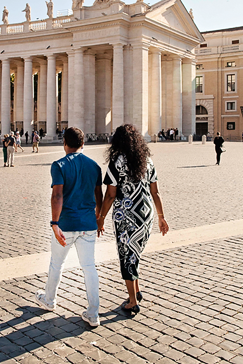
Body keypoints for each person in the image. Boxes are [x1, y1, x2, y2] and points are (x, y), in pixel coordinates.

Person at [97, 124, 169, 317]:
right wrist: (161, 217)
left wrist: (101, 217)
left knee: (126, 255)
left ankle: (133, 301)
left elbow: (110, 195)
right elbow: (156, 191)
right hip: (146, 214)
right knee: (133, 254)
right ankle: (136, 290)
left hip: (126, 216)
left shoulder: (117, 161)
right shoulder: (147, 160)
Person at [35, 127, 104, 327]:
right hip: (88, 224)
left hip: (65, 224)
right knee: (89, 267)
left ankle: (49, 300)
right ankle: (93, 313)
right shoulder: (94, 166)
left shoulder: (59, 165)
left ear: (64, 143)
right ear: (83, 144)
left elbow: (57, 195)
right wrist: (99, 218)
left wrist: (55, 223)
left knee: (57, 263)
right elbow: (98, 195)